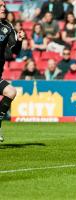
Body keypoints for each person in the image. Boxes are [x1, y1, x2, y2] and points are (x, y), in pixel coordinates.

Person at [0, 0, 25, 142]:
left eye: (4, 5)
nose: (3, 8)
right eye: (0, 6)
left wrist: (20, 40)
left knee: (11, 91)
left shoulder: (7, 26)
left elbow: (15, 51)